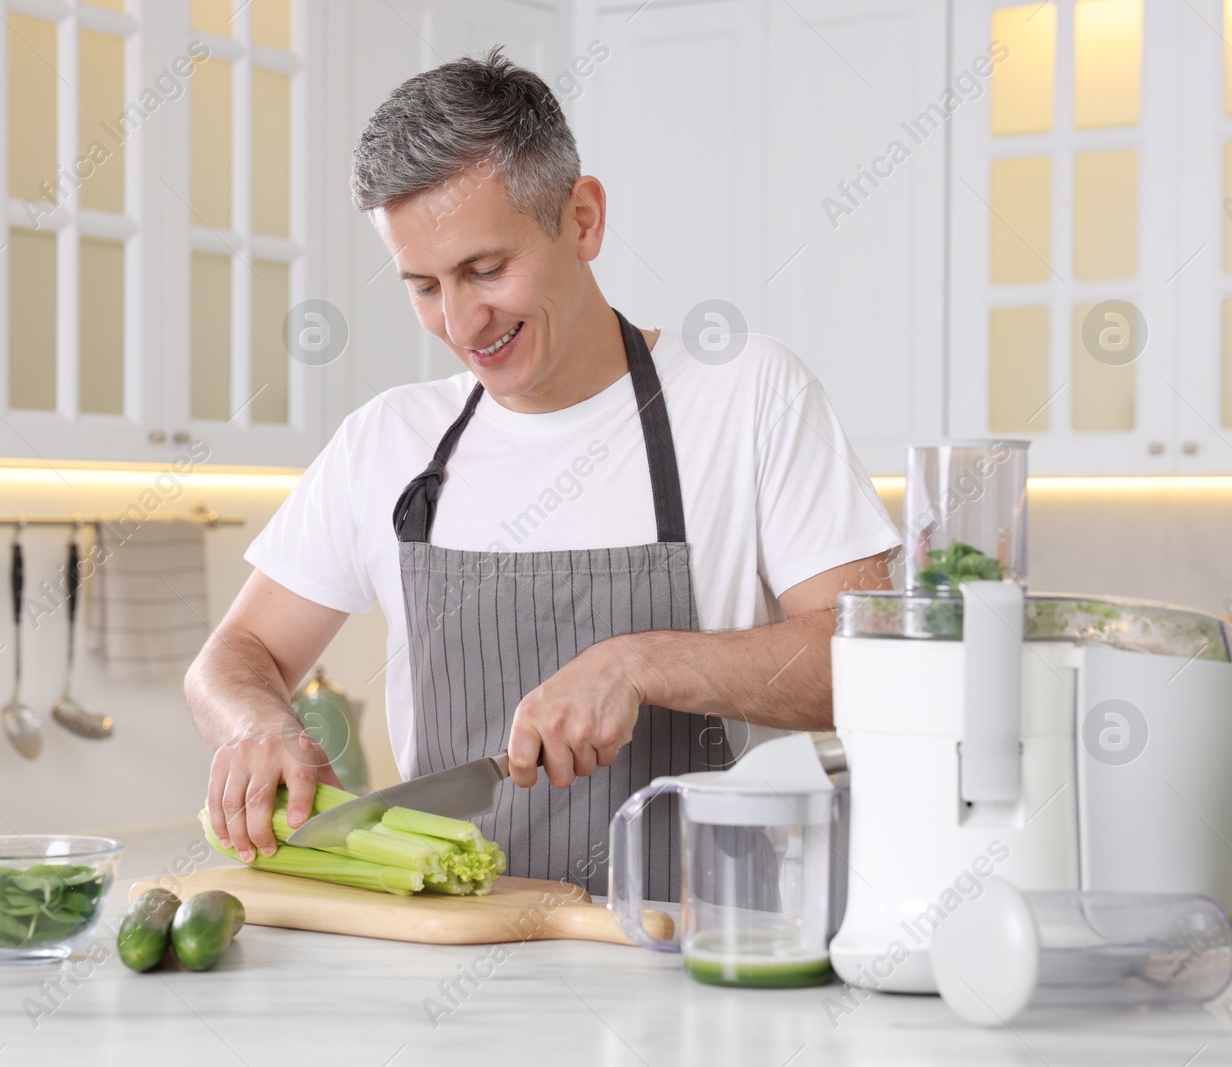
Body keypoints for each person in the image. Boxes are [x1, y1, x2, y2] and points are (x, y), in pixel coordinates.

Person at [186, 49, 897, 899]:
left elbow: (871, 662)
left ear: (584, 218)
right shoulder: (387, 440)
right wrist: (259, 723)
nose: (460, 320)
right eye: (423, 285)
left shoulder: (748, 395)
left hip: (696, 944)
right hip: (454, 942)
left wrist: (642, 661)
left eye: (486, 270)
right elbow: (235, 655)